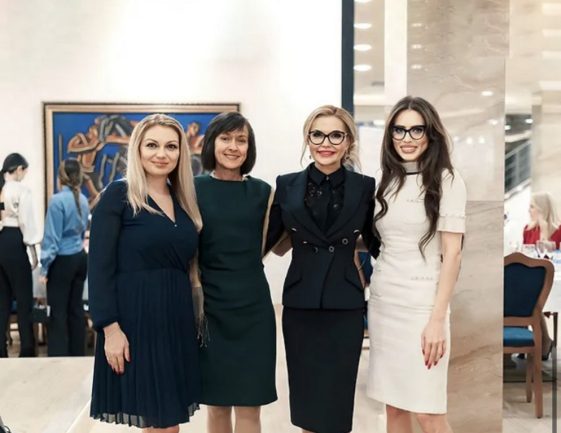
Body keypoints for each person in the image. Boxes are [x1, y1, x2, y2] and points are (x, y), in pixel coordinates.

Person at [266, 105, 378, 433]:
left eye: (335, 135)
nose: (325, 143)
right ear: (307, 139)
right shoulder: (287, 185)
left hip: (345, 303)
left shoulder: (364, 186)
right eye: (317, 134)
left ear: (348, 142)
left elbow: (377, 243)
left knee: (337, 400)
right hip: (301, 303)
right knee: (307, 398)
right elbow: (264, 241)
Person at [88, 114, 203, 432]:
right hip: (136, 320)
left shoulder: (183, 201)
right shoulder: (118, 195)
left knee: (168, 423)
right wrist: (110, 330)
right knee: (159, 423)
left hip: (175, 318)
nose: (161, 154)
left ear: (181, 153)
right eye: (152, 145)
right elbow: (99, 267)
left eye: (171, 146)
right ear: (137, 149)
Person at [367, 96, 466, 433]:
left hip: (423, 308)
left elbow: (453, 254)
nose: (406, 138)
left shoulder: (447, 180)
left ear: (430, 133)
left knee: (429, 412)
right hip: (384, 303)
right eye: (399, 130)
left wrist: (437, 320)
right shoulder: (384, 179)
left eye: (416, 130)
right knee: (394, 406)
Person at [195, 112, 277, 433]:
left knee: (250, 405)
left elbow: (271, 242)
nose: (233, 146)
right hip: (210, 308)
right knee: (216, 406)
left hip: (253, 309)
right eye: (225, 138)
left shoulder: (263, 192)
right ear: (211, 143)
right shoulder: (193, 189)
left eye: (241, 140)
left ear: (249, 147)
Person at [39, 159, 89, 356]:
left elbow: (52, 238)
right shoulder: (83, 200)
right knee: (76, 310)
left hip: (62, 260)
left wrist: (44, 268)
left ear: (60, 177)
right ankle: (78, 355)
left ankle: (58, 357)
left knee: (58, 313)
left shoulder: (57, 201)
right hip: (80, 258)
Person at [0, 153, 40, 357]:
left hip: (1, 240)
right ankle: (26, 349)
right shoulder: (21, 190)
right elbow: (26, 223)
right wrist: (33, 252)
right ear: (18, 169)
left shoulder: (2, 189)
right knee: (24, 300)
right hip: (15, 241)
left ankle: (1, 350)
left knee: (2, 300)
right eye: (24, 171)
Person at [521, 191, 559, 359]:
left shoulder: (558, 230)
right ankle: (542, 341)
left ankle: (536, 341)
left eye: (532, 207)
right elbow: (525, 255)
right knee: (525, 294)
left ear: (542, 209)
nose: (529, 210)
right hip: (530, 277)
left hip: (551, 277)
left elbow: (553, 257)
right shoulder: (528, 229)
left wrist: (544, 231)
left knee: (530, 297)